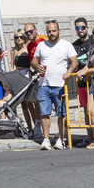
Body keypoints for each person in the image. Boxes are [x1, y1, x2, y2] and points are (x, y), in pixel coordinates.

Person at [34, 20, 78, 150]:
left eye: (54, 31)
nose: (51, 33)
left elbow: (74, 61)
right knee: (44, 113)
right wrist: (37, 66)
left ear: (58, 31)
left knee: (61, 114)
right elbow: (34, 60)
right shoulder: (41, 45)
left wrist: (69, 71)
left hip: (60, 85)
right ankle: (46, 140)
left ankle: (60, 139)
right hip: (44, 85)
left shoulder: (66, 45)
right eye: (49, 31)